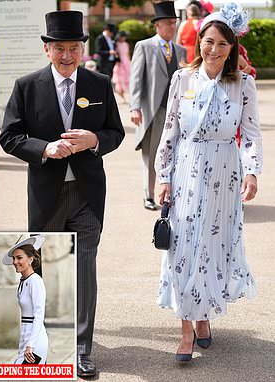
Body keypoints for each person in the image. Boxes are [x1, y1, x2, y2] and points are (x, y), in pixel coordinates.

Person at [0, 10, 125, 378]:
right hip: (47, 195)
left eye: (73, 48)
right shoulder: (27, 86)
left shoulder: (99, 84)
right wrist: (44, 149)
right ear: (47, 49)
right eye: (59, 48)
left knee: (84, 269)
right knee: (46, 272)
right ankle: (43, 337)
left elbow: (115, 132)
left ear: (82, 50)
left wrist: (95, 140)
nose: (67, 55)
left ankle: (82, 349)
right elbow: (8, 136)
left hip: (87, 193)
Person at [154, 2, 262, 363]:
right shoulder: (182, 79)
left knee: (211, 247)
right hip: (186, 168)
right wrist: (162, 175)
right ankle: (186, 330)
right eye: (207, 41)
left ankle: (203, 316)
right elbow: (170, 130)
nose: (212, 49)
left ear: (232, 49)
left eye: (220, 44)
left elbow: (249, 134)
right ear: (198, 41)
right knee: (183, 247)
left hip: (223, 172)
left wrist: (252, 171)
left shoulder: (243, 84)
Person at [129, 1, 187, 211]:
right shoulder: (144, 46)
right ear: (157, 26)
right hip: (153, 111)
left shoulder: (180, 51)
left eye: (174, 23)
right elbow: (135, 79)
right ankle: (148, 195)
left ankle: (171, 193)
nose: (172, 27)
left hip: (177, 112)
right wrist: (134, 107)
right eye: (167, 23)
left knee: (176, 153)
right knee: (151, 155)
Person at [2, 236, 48, 365]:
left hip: (34, 339)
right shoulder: (23, 282)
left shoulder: (35, 281)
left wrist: (31, 345)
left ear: (31, 259)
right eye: (14, 258)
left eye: (19, 257)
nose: (15, 261)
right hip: (26, 336)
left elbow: (39, 315)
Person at [111, 31, 131, 103]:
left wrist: (129, 62)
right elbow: (115, 54)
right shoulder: (116, 44)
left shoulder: (126, 44)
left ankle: (126, 96)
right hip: (119, 63)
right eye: (123, 36)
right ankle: (122, 97)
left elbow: (128, 54)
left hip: (126, 62)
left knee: (127, 79)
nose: (124, 38)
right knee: (119, 80)